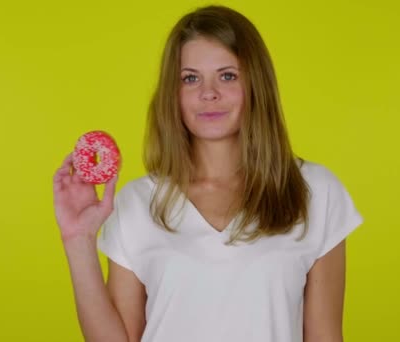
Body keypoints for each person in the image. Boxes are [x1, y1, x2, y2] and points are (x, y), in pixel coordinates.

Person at [53, 5, 363, 342]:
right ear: (174, 92)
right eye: (190, 78)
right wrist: (78, 240)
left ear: (256, 84)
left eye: (227, 75)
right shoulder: (137, 202)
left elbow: (325, 336)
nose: (208, 93)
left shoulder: (315, 192)